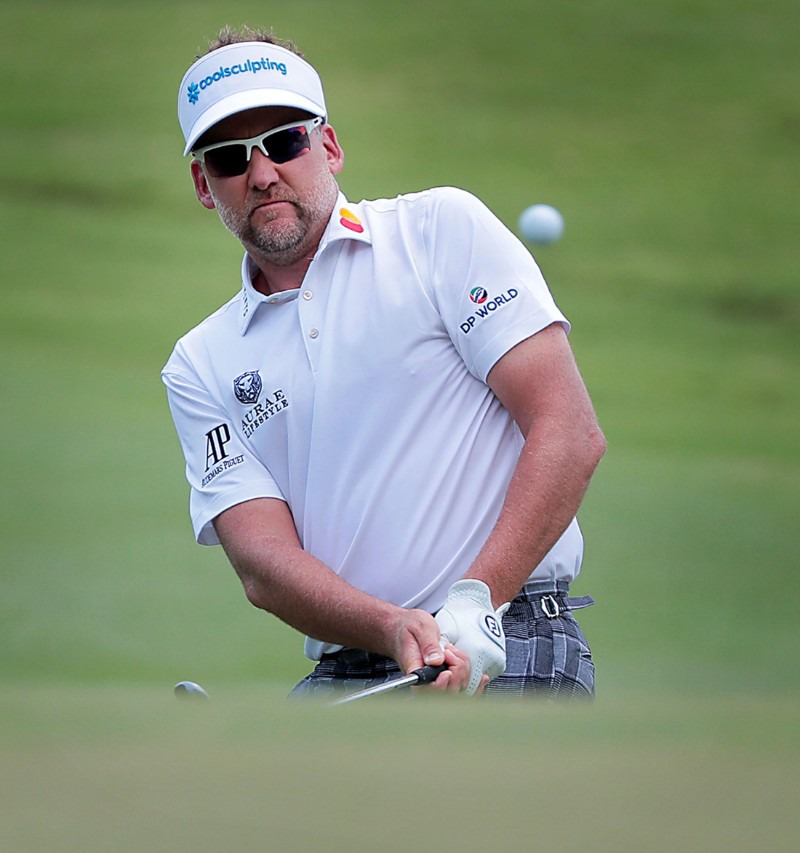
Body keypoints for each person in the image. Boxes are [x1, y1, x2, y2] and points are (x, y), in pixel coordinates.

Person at [161, 27, 606, 699]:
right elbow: (263, 563)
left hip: (514, 636)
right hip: (354, 664)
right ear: (204, 183)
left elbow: (568, 429)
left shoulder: (439, 231)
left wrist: (474, 601)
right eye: (229, 158)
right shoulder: (200, 363)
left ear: (329, 146)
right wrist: (395, 626)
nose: (261, 173)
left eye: (285, 142)